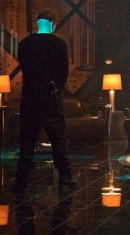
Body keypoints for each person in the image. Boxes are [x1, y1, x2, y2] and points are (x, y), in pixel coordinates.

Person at [14, 11, 77, 189]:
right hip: (50, 96)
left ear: (37, 24)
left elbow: (24, 68)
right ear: (52, 25)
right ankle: (65, 175)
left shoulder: (25, 43)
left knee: (27, 137)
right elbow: (63, 74)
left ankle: (22, 176)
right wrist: (56, 88)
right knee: (58, 136)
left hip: (29, 95)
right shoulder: (59, 45)